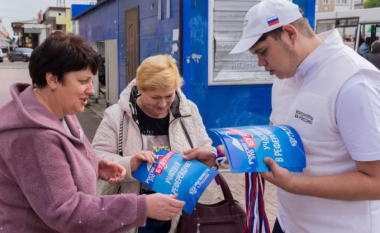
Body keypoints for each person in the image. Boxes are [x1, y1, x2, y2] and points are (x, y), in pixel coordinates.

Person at [185, 0, 380, 232]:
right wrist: (223, 153)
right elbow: (274, 140)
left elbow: (376, 181)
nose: (260, 63)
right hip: (288, 222)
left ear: (289, 33)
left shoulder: (354, 83)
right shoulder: (285, 78)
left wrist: (294, 184)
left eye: (263, 51)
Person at [0, 32, 184, 233]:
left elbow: (57, 166)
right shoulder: (33, 136)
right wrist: (142, 206)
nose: (92, 90)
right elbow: (66, 211)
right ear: (52, 79)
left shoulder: (59, 110)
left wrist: (94, 165)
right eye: (82, 81)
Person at [92, 54, 216, 233]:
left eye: (169, 95)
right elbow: (96, 157)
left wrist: (209, 155)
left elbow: (205, 145)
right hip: (131, 216)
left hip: (177, 215)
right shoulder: (117, 116)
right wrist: (130, 164)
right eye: (155, 97)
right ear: (141, 89)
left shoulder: (188, 111)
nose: (163, 104)